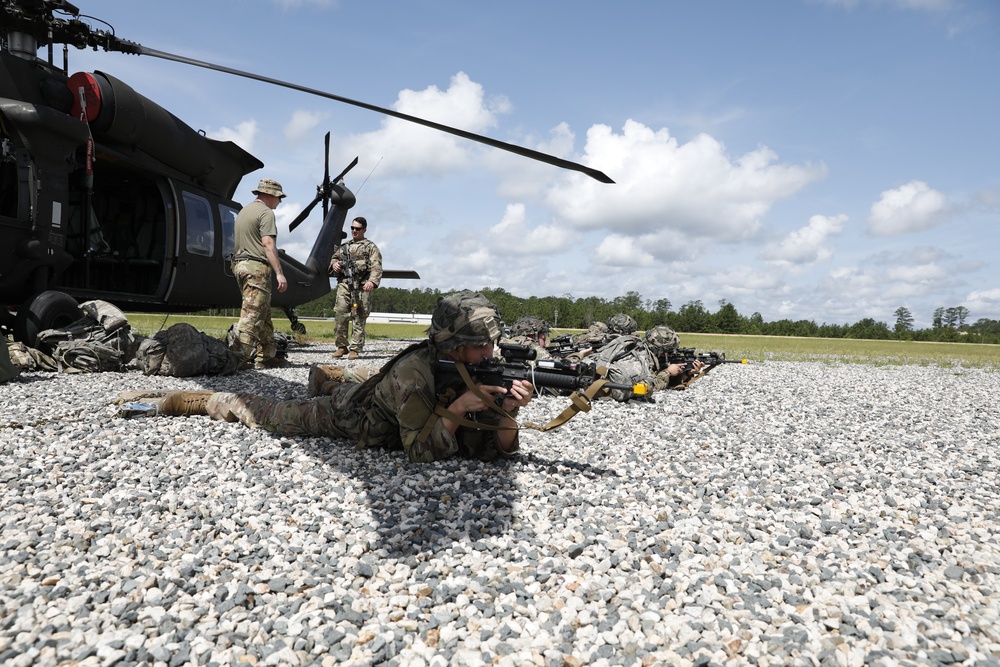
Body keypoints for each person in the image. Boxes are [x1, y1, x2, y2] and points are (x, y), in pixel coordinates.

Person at [119, 291, 535, 463]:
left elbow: (497, 451)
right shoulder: (415, 375)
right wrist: (461, 406)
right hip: (351, 416)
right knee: (270, 413)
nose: (490, 354)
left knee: (351, 382)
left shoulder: (472, 367)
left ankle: (326, 375)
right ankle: (199, 400)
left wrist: (507, 412)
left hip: (382, 401)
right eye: (482, 345)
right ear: (453, 344)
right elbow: (420, 452)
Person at [230, 178, 288, 369]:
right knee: (252, 313)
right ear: (270, 195)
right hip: (256, 267)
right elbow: (268, 244)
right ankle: (238, 358)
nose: (279, 201)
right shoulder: (266, 213)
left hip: (240, 265)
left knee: (263, 312)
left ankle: (267, 356)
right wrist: (279, 272)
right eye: (279, 197)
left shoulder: (244, 211)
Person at [329, 216, 382, 360]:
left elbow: (376, 266)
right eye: (352, 228)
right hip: (345, 285)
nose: (354, 231)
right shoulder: (344, 247)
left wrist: (372, 281)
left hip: (362, 286)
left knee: (359, 316)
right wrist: (335, 264)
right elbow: (333, 259)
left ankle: (355, 349)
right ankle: (341, 346)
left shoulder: (370, 247)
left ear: (364, 230)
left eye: (357, 229)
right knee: (340, 314)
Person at [644, 325, 706, 391]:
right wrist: (667, 372)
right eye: (668, 352)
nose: (669, 356)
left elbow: (669, 383)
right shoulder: (642, 359)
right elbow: (650, 387)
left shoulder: (656, 358)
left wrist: (687, 373)